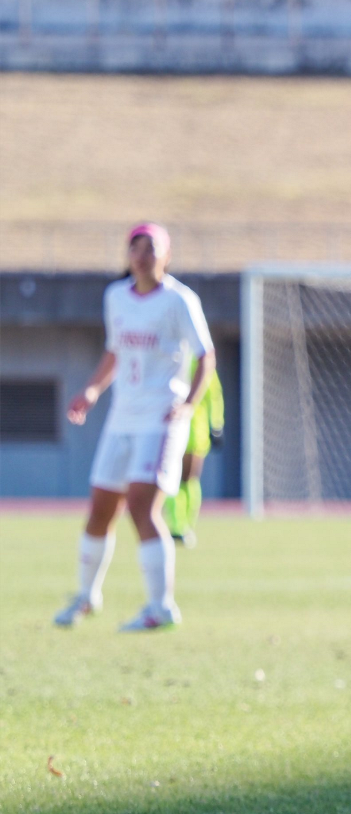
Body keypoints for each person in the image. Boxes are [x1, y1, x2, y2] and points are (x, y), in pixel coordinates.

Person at [54, 223, 216, 632]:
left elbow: (206, 355)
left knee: (143, 507)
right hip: (121, 418)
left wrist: (188, 405)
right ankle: (87, 595)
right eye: (136, 248)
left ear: (167, 256)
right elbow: (115, 350)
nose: (142, 256)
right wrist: (92, 390)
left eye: (151, 249)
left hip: (160, 420)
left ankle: (161, 607)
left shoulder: (180, 300)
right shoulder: (116, 296)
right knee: (100, 508)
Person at [161, 354, 224, 548]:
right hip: (174, 427)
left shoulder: (198, 361)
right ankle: (177, 526)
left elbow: (213, 394)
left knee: (187, 479)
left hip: (194, 430)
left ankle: (185, 526)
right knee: (174, 478)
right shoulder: (172, 357)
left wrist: (216, 425)